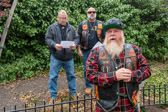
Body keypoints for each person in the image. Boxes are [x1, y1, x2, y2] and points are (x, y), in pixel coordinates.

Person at [86, 18, 151, 112]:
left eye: (116, 31)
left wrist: (132, 75)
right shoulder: (96, 52)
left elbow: (147, 70)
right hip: (105, 107)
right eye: (109, 31)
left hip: (130, 106)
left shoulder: (134, 50)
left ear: (122, 33)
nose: (112, 34)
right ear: (106, 35)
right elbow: (90, 75)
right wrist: (114, 76)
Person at [45, 10, 79, 101]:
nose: (63, 20)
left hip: (69, 58)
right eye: (61, 18)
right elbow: (48, 39)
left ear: (66, 18)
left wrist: (75, 44)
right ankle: (53, 96)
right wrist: (54, 45)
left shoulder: (71, 28)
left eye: (64, 18)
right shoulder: (52, 28)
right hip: (56, 57)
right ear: (57, 18)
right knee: (53, 77)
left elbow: (76, 38)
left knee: (71, 76)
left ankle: (73, 94)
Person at [77, 7, 105, 95]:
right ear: (87, 13)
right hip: (86, 50)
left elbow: (105, 38)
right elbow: (78, 38)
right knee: (87, 69)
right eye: (90, 12)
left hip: (99, 50)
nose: (92, 13)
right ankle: (88, 86)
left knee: (101, 68)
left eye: (93, 12)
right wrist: (78, 50)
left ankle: (99, 84)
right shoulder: (82, 24)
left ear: (95, 13)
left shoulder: (101, 24)